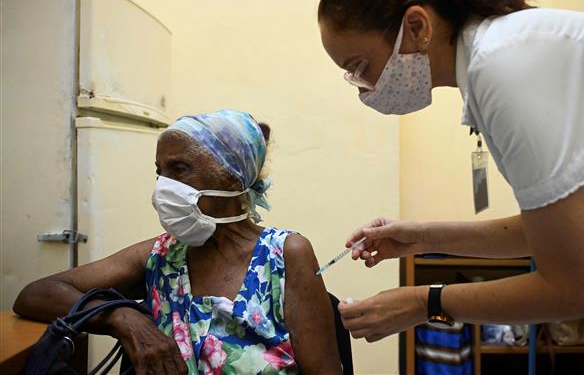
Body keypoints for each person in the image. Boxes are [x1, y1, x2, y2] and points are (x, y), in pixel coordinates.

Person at [317, 0, 584, 373]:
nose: (363, 89)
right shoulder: (499, 58)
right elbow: (552, 231)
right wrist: (423, 238)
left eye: (360, 67)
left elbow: (572, 287)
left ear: (418, 26)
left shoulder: (505, 65)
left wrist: (425, 302)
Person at [14, 110, 342, 375]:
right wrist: (124, 318)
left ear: (232, 174)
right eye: (160, 172)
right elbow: (36, 294)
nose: (163, 187)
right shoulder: (161, 255)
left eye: (179, 169)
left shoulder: (285, 254)